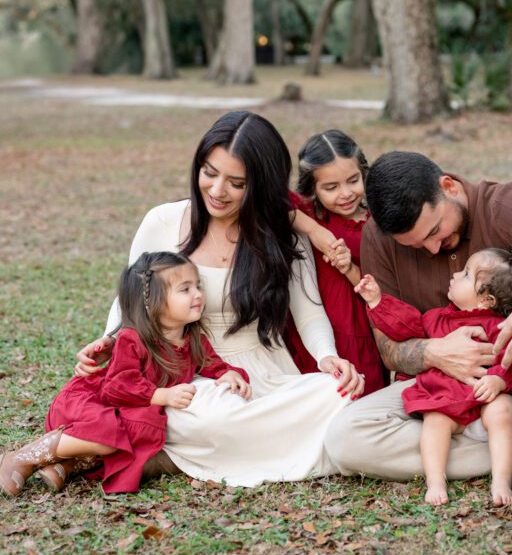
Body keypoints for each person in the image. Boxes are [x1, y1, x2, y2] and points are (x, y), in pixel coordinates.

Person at [325, 151, 512, 528]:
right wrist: (434, 352)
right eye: (415, 246)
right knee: (344, 440)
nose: (434, 249)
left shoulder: (503, 205)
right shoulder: (380, 236)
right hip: (438, 394)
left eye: (435, 231)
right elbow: (389, 348)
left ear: (449, 187)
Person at [74, 111, 364, 489]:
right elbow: (129, 303)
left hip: (266, 373)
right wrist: (109, 340)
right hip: (188, 372)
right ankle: (207, 445)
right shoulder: (163, 221)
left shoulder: (282, 235)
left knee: (337, 396)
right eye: (209, 172)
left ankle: (171, 455)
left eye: (236, 182)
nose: (217, 190)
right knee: (205, 413)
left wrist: (327, 358)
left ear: (260, 185)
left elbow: (308, 312)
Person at [0, 252, 251, 497]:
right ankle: (24, 457)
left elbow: (211, 363)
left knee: (137, 440)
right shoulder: (133, 339)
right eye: (185, 289)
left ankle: (67, 466)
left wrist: (227, 373)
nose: (198, 294)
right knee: (111, 438)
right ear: (152, 302)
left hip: (126, 412)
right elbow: (117, 386)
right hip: (95, 403)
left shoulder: (193, 339)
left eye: (197, 286)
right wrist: (160, 394)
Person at [355, 247, 512, 507]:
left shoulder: (499, 325)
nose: (455, 274)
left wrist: (499, 379)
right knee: (435, 421)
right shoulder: (439, 318)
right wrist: (377, 302)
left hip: (484, 396)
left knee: (502, 411)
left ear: (486, 299)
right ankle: (436, 480)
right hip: (446, 398)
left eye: (465, 275)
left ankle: (501, 479)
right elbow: (408, 325)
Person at [286, 129, 385, 395]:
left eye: (353, 180)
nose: (345, 194)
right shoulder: (312, 216)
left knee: (362, 395)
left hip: (363, 326)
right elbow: (268, 200)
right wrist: (315, 231)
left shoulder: (378, 221)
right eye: (330, 187)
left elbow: (384, 282)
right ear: (312, 188)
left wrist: (349, 268)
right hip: (320, 327)